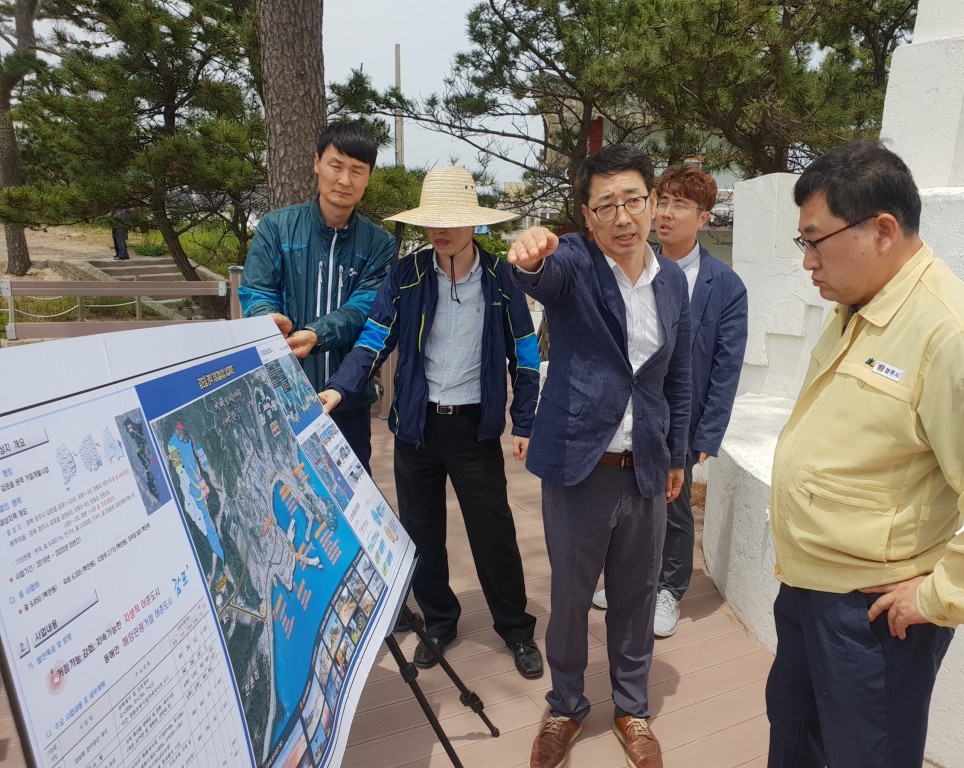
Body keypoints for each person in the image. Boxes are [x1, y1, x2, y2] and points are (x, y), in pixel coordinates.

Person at [767, 140, 964, 767]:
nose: (807, 262)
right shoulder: (861, 305)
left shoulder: (951, 332)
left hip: (872, 615)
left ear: (882, 230)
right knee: (798, 744)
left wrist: (940, 595)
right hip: (808, 588)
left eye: (814, 240)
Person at [318, 166, 545, 679]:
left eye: (452, 219)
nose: (441, 230)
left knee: (494, 533)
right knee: (421, 533)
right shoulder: (407, 275)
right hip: (416, 427)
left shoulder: (502, 279)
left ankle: (515, 628)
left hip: (474, 429)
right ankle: (440, 621)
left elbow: (526, 357)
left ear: (473, 223)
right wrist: (339, 385)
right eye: (432, 221)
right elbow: (374, 340)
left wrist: (524, 421)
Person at [507, 144, 692, 768]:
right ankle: (564, 705)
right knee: (570, 595)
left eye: (633, 200)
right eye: (606, 204)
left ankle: (631, 707)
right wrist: (532, 252)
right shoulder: (577, 264)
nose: (623, 216)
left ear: (651, 204)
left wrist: (676, 456)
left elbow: (677, 376)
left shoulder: (671, 282)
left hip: (643, 468)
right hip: (579, 467)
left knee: (637, 595)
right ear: (587, 216)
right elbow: (541, 273)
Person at [592, 165, 748, 637]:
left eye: (681, 205)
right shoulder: (632, 265)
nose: (665, 213)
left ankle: (669, 589)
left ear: (703, 218)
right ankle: (630, 581)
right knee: (630, 502)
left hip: (682, 416)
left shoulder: (724, 286)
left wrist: (707, 434)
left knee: (673, 505)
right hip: (630, 414)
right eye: (663, 202)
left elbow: (726, 368)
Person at [238, 121, 394, 470]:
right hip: (282, 393)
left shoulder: (379, 243)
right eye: (336, 165)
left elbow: (365, 308)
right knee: (282, 485)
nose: (344, 179)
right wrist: (268, 318)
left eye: (357, 170)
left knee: (353, 492)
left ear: (368, 178)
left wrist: (317, 334)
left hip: (347, 400)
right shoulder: (276, 227)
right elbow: (256, 289)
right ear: (317, 163)